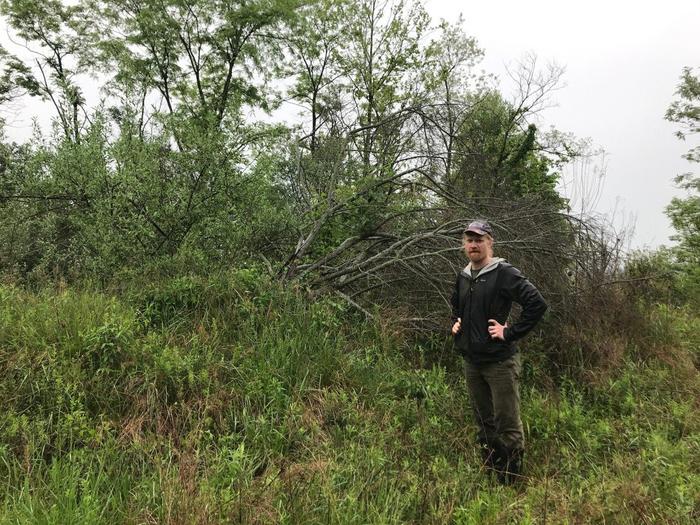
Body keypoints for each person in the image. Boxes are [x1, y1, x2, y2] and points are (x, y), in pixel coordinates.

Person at [450, 220, 547, 484]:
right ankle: (492, 475)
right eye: (469, 240)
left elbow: (536, 304)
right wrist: (457, 322)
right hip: (472, 362)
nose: (473, 244)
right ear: (464, 244)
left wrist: (510, 332)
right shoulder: (463, 275)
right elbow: (457, 306)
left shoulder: (503, 272)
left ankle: (512, 481)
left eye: (479, 239)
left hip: (499, 363)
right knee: (484, 423)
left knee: (507, 424)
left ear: (489, 242)